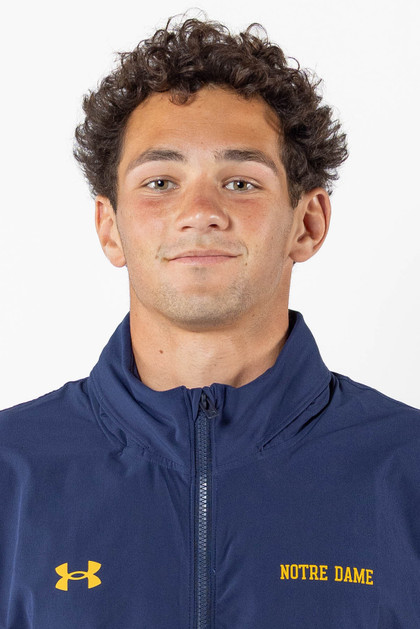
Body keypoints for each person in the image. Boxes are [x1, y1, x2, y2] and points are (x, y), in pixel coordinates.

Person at [0, 15, 419, 629]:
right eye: (160, 182)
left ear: (307, 224)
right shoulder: (11, 470)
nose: (200, 211)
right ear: (109, 227)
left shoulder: (407, 468)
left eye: (241, 182)